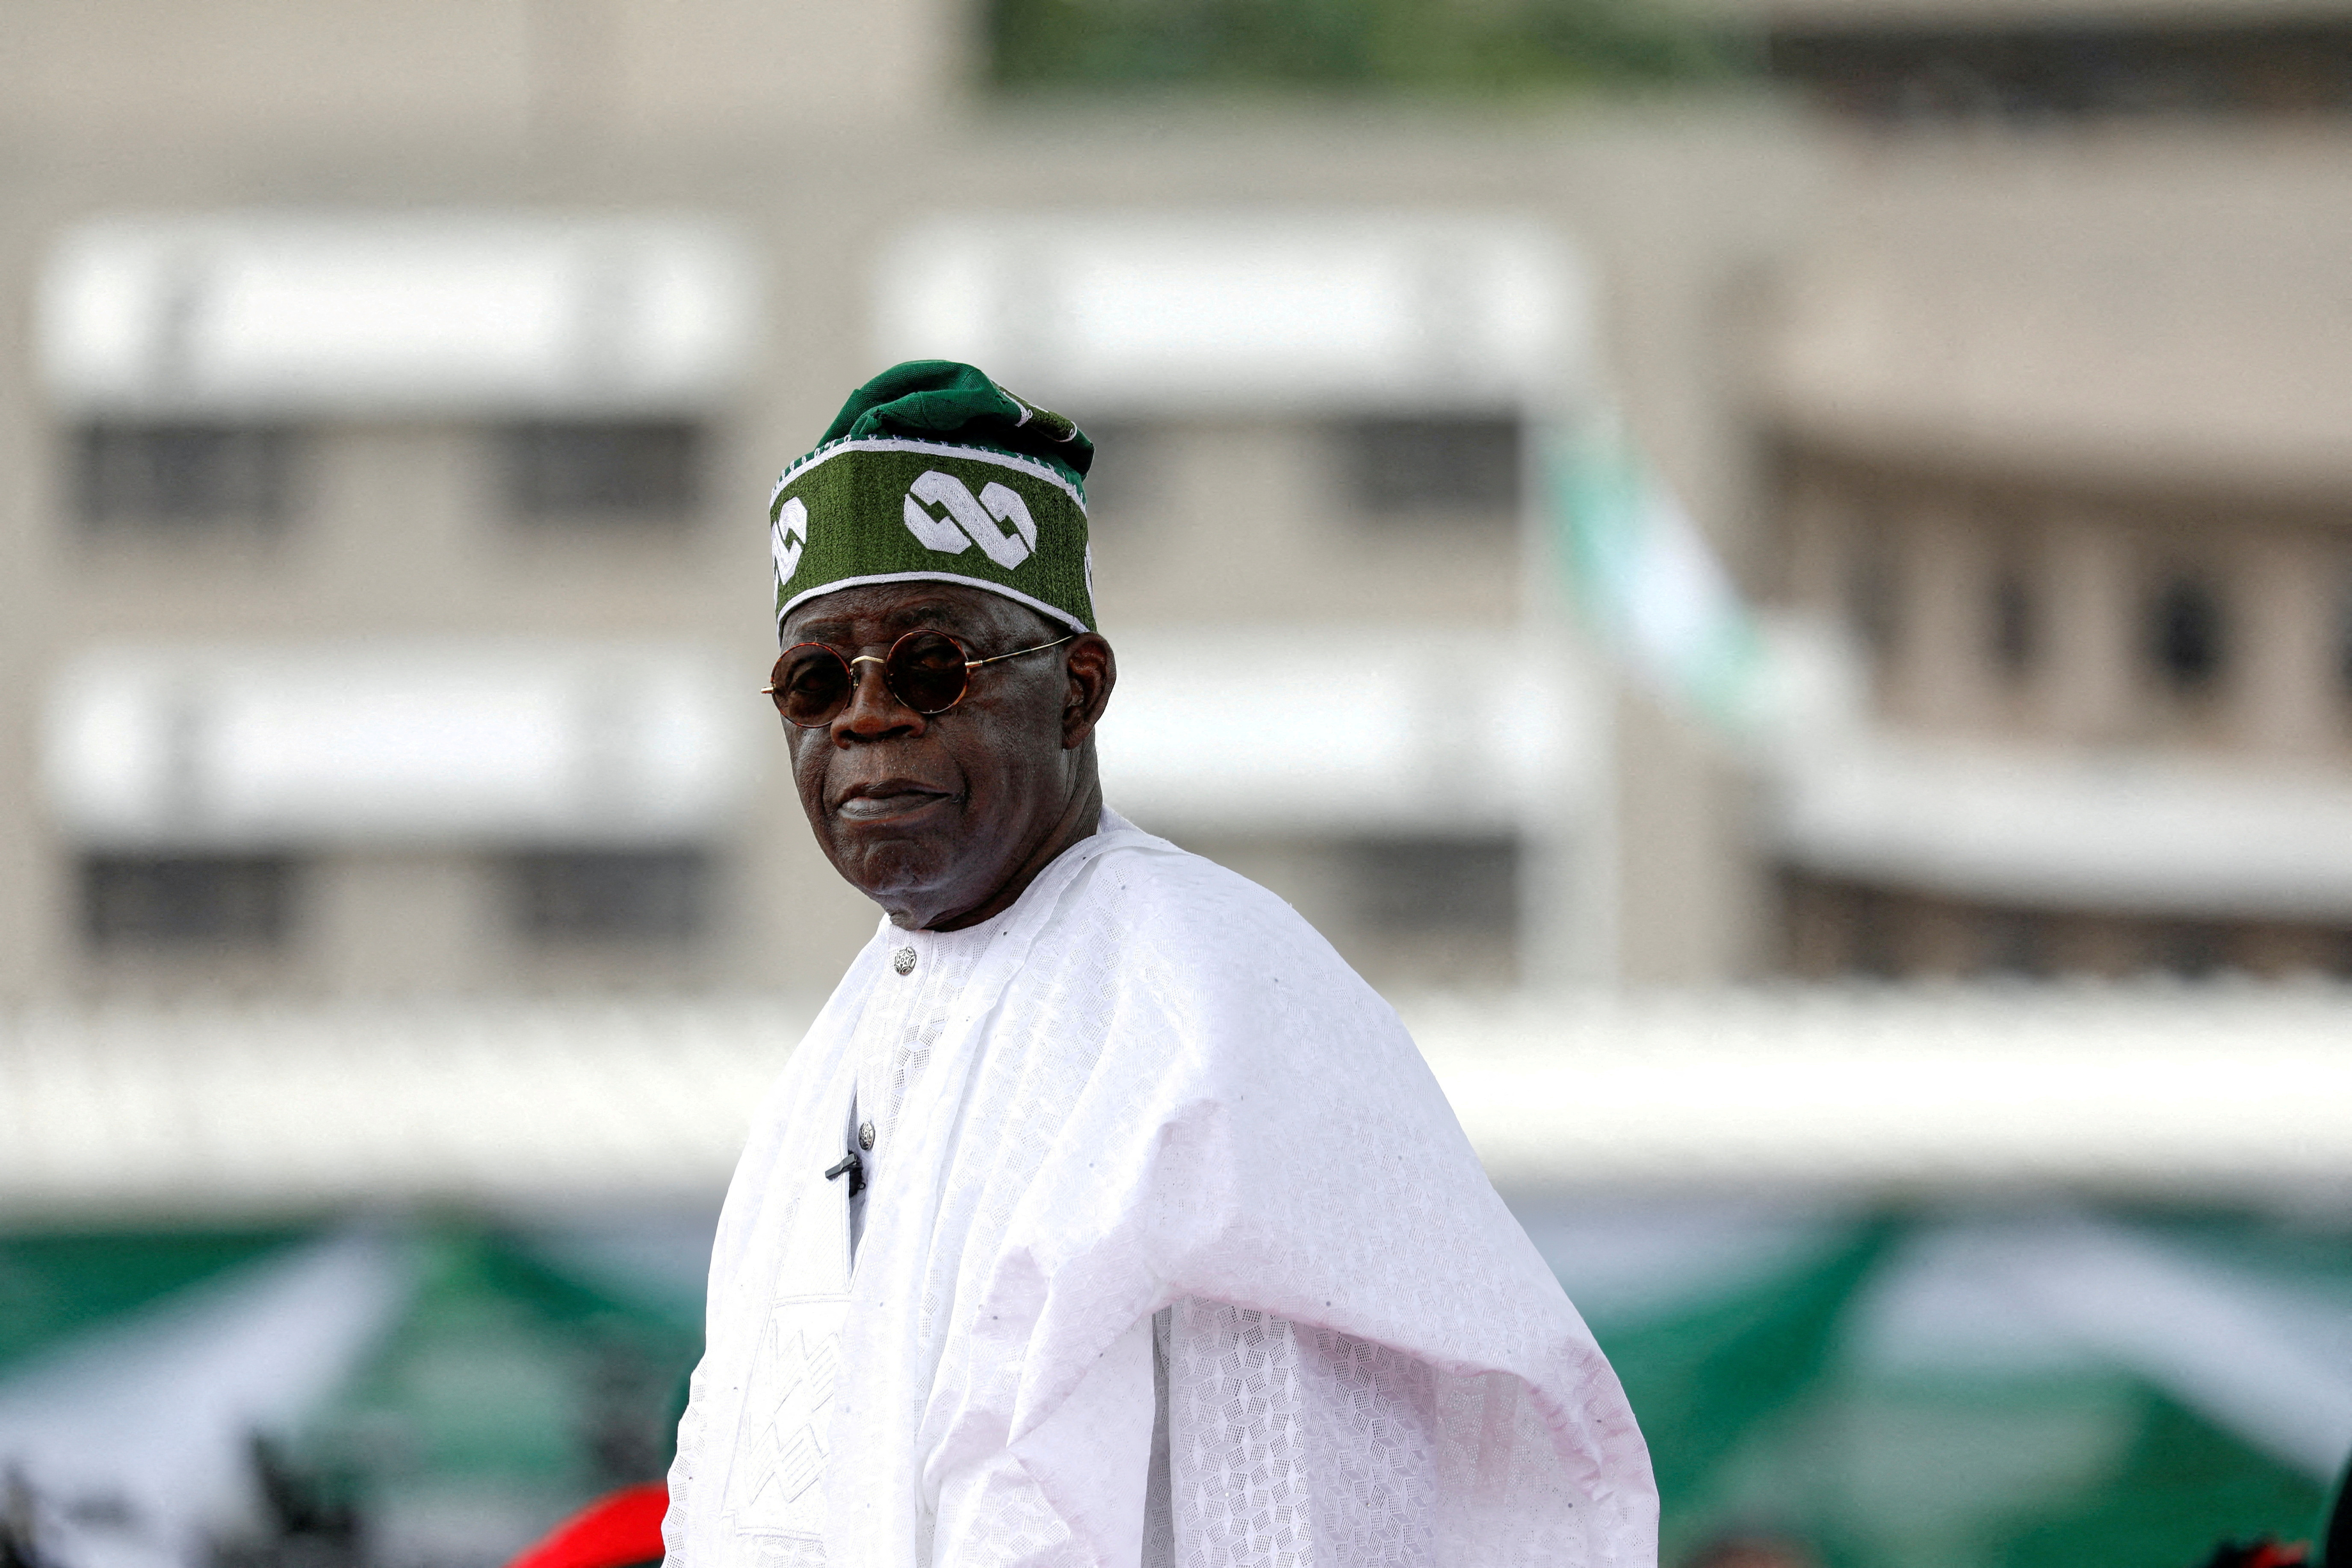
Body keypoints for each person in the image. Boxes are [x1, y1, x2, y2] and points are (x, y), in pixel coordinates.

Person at [662, 360, 1655, 1567]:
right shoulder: (833, 1053)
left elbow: (1301, 1516)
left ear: (1077, 692)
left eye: (932, 668)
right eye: (815, 681)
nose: (865, 718)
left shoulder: (1218, 1004)